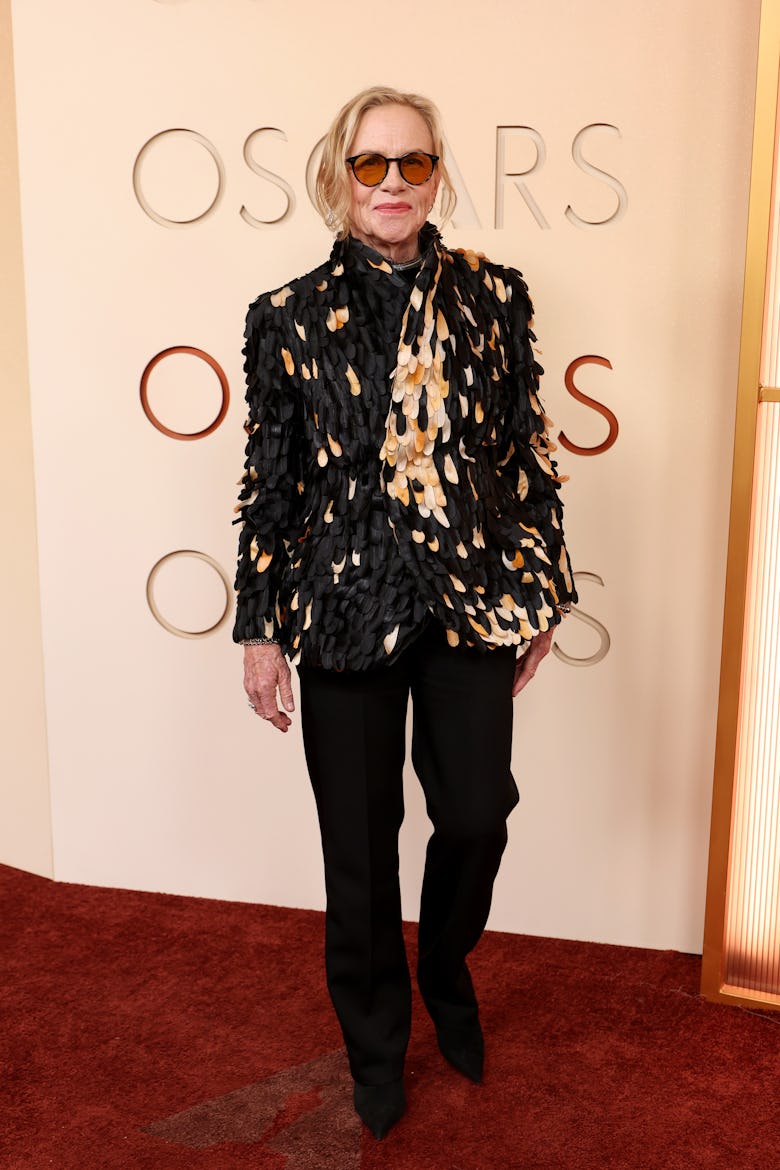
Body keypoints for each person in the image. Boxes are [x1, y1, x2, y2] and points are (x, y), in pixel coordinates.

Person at [233, 85, 576, 1140]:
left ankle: (446, 969)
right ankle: (377, 1046)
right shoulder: (286, 318)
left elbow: (526, 452)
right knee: (360, 846)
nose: (392, 184)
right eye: (372, 164)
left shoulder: (493, 297)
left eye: (413, 163)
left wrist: (543, 587)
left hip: (468, 599)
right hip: (340, 613)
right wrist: (257, 625)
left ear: (438, 174)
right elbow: (271, 480)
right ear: (340, 175)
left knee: (476, 812)